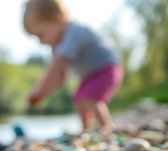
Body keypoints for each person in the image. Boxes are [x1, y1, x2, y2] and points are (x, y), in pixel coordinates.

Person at [23, 0, 123, 136]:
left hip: (107, 69)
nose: (40, 42)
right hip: (90, 75)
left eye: (41, 35)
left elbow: (56, 66)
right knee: (78, 99)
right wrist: (43, 94)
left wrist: (38, 90)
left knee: (90, 99)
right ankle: (86, 129)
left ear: (57, 20)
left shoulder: (73, 33)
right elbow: (58, 77)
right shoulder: (58, 46)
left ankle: (107, 128)